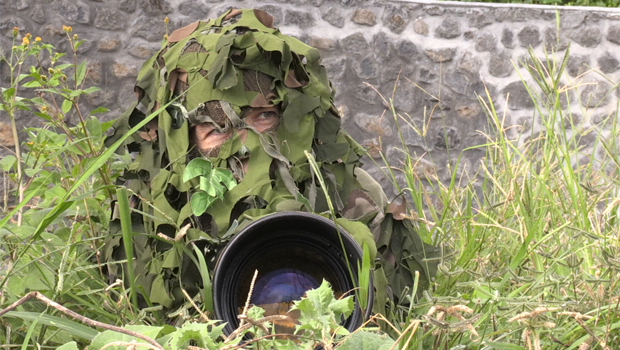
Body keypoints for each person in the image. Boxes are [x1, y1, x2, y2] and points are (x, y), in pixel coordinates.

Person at [103, 8, 440, 321]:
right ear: (182, 139)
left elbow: (395, 320)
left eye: (264, 117)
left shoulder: (352, 194)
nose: (246, 145)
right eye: (217, 129)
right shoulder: (146, 212)